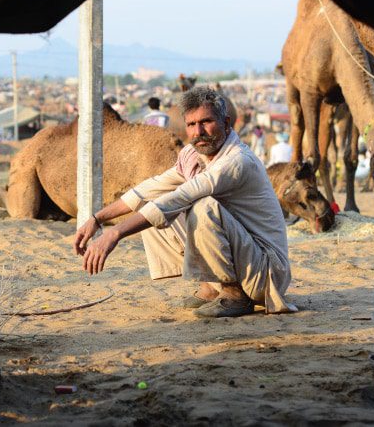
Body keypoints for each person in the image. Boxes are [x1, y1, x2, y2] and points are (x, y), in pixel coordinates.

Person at [74, 86, 295, 318]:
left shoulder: (237, 160)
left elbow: (183, 196)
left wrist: (115, 233)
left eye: (206, 122)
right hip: (245, 257)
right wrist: (97, 219)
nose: (198, 131)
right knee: (150, 202)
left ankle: (234, 294)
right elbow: (148, 189)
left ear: (226, 122)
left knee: (201, 206)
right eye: (191, 124)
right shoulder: (194, 156)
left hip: (266, 272)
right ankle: (211, 286)